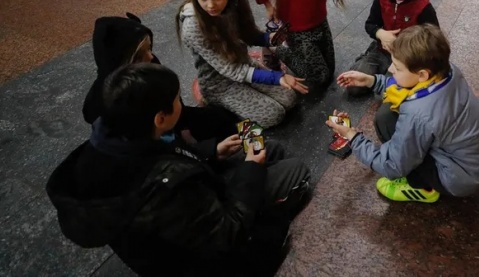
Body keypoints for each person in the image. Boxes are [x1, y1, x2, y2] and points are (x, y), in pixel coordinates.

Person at [47, 63, 310, 276]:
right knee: (296, 170)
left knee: (271, 149)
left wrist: (211, 152)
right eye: (176, 101)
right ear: (160, 118)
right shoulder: (164, 185)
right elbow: (227, 233)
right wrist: (251, 169)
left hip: (196, 205)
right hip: (214, 256)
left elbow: (169, 154)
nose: (181, 106)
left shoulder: (114, 139)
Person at [330, 24, 479, 203]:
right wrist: (372, 81)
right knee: (387, 116)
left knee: (386, 120)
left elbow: (392, 165)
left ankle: (423, 188)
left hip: (456, 180)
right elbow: (407, 86)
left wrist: (353, 137)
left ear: (423, 74)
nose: (391, 69)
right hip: (472, 161)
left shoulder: (419, 113)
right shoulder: (447, 71)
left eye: (398, 68)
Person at [178, 0, 308, 129]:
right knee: (274, 115)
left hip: (244, 65)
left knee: (289, 98)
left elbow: (250, 35)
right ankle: (215, 104)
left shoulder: (237, 4)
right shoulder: (193, 26)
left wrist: (271, 38)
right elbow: (232, 71)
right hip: (219, 84)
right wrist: (276, 77)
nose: (210, 5)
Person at [82, 12, 238, 142]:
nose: (150, 56)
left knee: (223, 119)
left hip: (173, 120)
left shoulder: (149, 64)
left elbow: (177, 107)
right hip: (159, 139)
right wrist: (207, 152)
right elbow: (153, 149)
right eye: (139, 56)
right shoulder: (105, 105)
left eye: (149, 48)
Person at [346, 0, 439, 98]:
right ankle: (374, 67)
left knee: (394, 95)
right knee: (353, 87)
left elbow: (433, 41)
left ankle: (385, 77)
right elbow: (370, 24)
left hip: (407, 60)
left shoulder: (423, 6)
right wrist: (380, 33)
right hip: (381, 51)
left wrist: (406, 51)